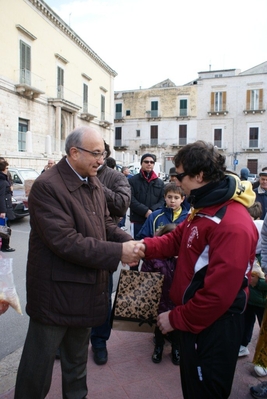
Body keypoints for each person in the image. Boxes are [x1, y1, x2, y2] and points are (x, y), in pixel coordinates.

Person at [14, 126, 140, 399]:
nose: (101, 160)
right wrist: (119, 252)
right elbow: (66, 242)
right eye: (96, 153)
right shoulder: (47, 187)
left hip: (86, 291)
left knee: (76, 366)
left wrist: (130, 241)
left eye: (103, 154)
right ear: (74, 153)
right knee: (37, 371)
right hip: (54, 296)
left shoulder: (91, 179)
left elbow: (105, 223)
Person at [134, 140, 258, 399]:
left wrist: (176, 318)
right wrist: (141, 247)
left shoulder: (231, 222)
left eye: (180, 175)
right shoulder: (203, 208)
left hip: (214, 325)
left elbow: (218, 296)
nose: (176, 182)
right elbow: (177, 239)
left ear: (199, 175)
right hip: (196, 321)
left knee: (205, 392)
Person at [90, 142, 131, 366]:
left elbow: (121, 206)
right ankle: (70, 339)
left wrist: (95, 183)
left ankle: (99, 341)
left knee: (103, 296)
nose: (95, 158)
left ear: (105, 155)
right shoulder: (72, 176)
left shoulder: (116, 178)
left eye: (98, 153)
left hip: (106, 248)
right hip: (80, 248)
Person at [141, 223, 180, 365]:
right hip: (159, 298)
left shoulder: (182, 257)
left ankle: (176, 348)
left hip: (176, 299)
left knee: (176, 324)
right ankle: (158, 346)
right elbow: (145, 275)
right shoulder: (154, 257)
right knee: (158, 325)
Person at [238, 202, 267, 365]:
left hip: (263, 300)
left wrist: (260, 282)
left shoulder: (263, 255)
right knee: (246, 322)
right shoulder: (250, 252)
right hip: (250, 298)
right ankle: (243, 345)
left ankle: (263, 359)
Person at [129, 153, 165, 240]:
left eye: (152, 162)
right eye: (146, 162)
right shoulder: (132, 181)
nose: (149, 164)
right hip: (137, 220)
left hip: (154, 220)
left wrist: (152, 211)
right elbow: (130, 199)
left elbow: (163, 199)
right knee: (137, 245)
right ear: (141, 163)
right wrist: (145, 211)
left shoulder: (160, 182)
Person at [0, 159, 15, 252]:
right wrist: (3, 211)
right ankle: (5, 246)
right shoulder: (2, 180)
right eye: (6, 168)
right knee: (5, 228)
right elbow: (1, 196)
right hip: (4, 208)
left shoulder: (4, 178)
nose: (7, 169)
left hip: (6, 207)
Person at [118, 167, 133, 231]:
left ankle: (122, 225)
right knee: (122, 212)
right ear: (123, 171)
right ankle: (121, 225)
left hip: (125, 197)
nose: (129, 172)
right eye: (127, 170)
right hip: (121, 197)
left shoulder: (129, 177)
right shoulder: (120, 177)